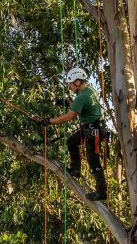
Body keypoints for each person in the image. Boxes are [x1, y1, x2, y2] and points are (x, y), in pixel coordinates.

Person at [39, 67, 107, 201]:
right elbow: (79, 105)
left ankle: (102, 192)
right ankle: (75, 169)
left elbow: (68, 117)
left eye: (70, 83)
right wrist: (64, 103)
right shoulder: (90, 91)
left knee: (94, 161)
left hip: (92, 132)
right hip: (92, 128)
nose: (69, 86)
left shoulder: (82, 97)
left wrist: (49, 121)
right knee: (71, 142)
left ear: (78, 82)